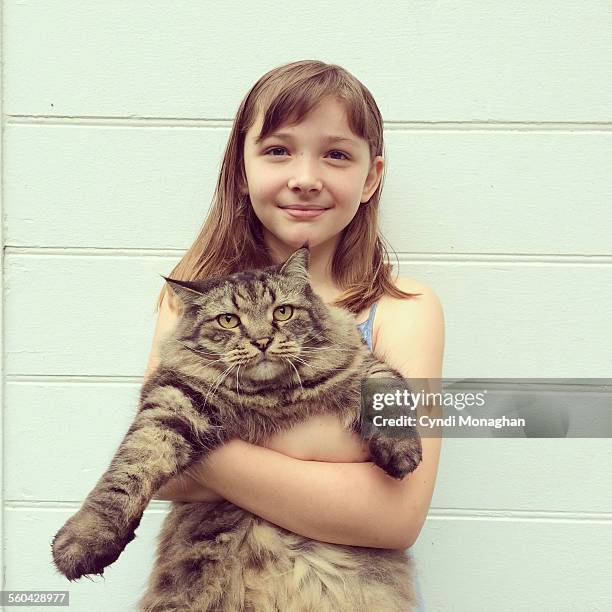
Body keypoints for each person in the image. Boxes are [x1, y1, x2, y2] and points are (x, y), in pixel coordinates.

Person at [143, 59, 444, 609]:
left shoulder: (405, 308)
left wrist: (210, 438)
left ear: (371, 176)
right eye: (279, 150)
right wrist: (343, 446)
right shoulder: (191, 301)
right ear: (241, 167)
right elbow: (157, 471)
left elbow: (396, 516)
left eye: (335, 154)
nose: (305, 177)